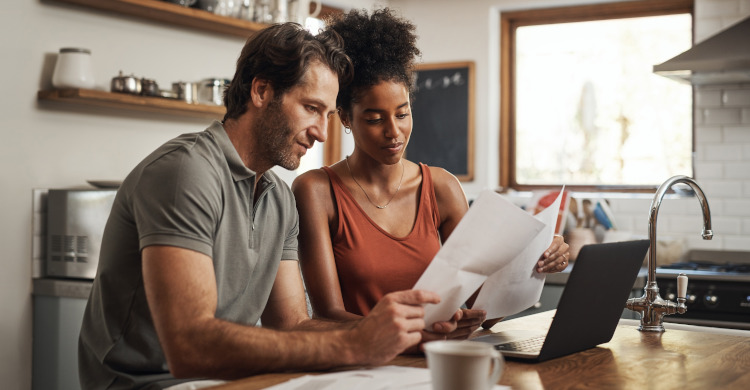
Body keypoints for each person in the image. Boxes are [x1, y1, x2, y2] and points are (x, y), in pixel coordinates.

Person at [78, 22, 455, 390]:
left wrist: (400, 332)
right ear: (261, 91)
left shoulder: (277, 197)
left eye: (327, 114)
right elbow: (189, 346)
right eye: (311, 108)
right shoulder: (186, 172)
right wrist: (354, 343)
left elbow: (291, 325)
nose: (322, 132)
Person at [292, 8, 570, 342]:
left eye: (402, 113)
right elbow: (328, 316)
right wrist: (416, 335)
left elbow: (483, 310)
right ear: (346, 118)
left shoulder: (441, 187)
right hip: (362, 366)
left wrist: (534, 264)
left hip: (437, 362)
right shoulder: (316, 190)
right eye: (375, 118)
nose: (394, 132)